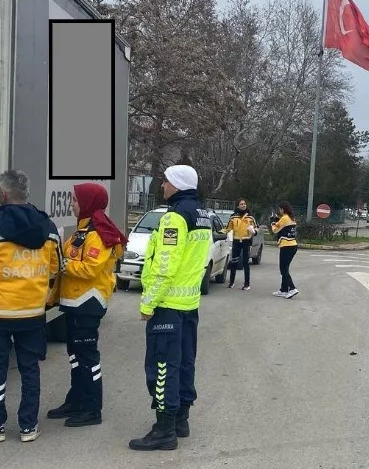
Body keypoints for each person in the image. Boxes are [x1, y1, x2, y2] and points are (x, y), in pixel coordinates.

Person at [0, 169, 63, 443]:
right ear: (26, 194)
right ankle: (29, 427)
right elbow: (57, 266)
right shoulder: (48, 228)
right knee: (30, 368)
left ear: (3, 194)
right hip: (33, 311)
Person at [129, 164, 210, 452]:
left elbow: (165, 264)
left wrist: (148, 303)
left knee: (162, 366)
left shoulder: (175, 217)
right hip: (189, 304)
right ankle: (180, 420)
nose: (162, 185)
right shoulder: (202, 215)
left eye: (165, 181)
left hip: (168, 305)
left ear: (176, 184)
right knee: (185, 362)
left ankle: (164, 429)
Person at [46, 182, 127, 428]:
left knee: (87, 357)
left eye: (74, 199)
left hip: (88, 303)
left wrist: (62, 263)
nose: (71, 203)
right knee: (75, 355)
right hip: (74, 302)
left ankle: (92, 409)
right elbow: (67, 254)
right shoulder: (82, 230)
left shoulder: (98, 233)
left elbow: (90, 268)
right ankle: (77, 399)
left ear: (88, 202)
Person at [226, 198, 257, 290]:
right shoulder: (233, 217)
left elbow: (257, 228)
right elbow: (228, 228)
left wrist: (254, 231)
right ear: (238, 206)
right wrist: (219, 233)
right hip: (236, 241)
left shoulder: (250, 217)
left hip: (246, 241)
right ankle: (231, 282)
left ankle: (247, 284)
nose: (244, 205)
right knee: (234, 262)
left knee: (245, 262)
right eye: (242, 204)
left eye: (244, 204)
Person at [270, 201, 299, 298]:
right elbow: (285, 226)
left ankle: (292, 288)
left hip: (286, 246)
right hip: (293, 245)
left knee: (283, 269)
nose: (279, 210)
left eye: (280, 209)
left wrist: (272, 222)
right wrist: (277, 220)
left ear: (283, 209)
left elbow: (275, 230)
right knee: (285, 268)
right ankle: (283, 289)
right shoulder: (292, 218)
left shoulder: (285, 218)